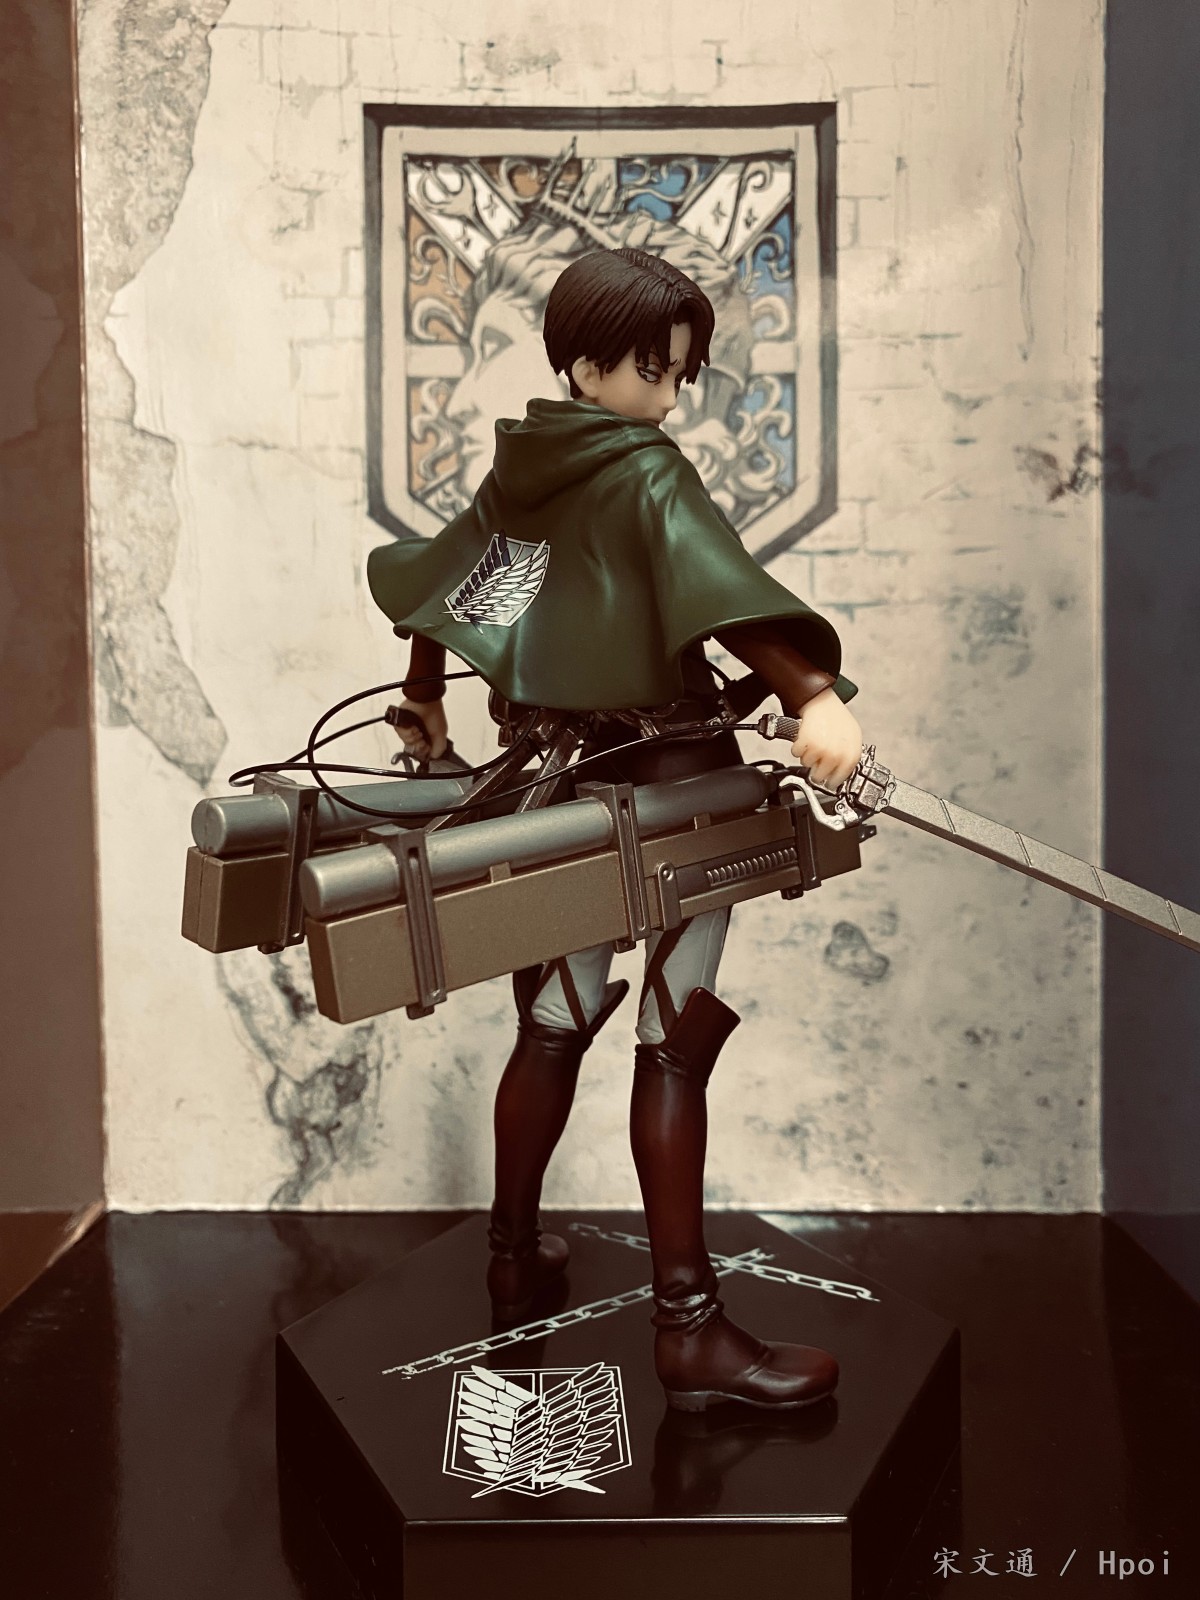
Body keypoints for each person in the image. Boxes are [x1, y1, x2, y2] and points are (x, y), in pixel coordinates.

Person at [367, 246, 863, 1411]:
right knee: (671, 1039)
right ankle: (689, 1328)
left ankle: (511, 1256)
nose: (672, 396)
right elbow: (723, 596)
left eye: (682, 373)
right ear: (587, 362)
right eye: (656, 370)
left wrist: (426, 698)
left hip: (562, 794)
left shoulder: (529, 468)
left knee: (553, 1025)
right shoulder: (641, 470)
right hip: (678, 793)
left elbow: (454, 591)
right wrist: (813, 694)